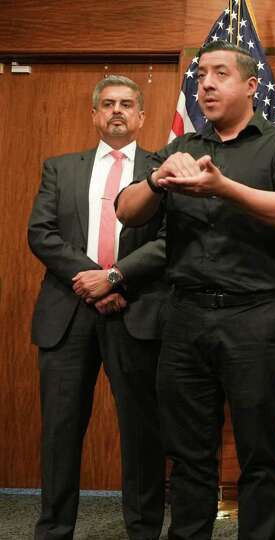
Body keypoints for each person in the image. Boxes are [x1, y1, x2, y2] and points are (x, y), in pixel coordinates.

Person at [115, 41, 275, 540]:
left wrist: (224, 188)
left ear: (251, 86)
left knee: (257, 452)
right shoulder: (182, 148)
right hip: (184, 318)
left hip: (254, 318)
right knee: (188, 455)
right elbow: (126, 210)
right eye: (201, 74)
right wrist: (157, 179)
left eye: (220, 73)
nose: (205, 83)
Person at [28, 75, 167, 540]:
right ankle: (53, 530)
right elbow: (42, 234)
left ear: (141, 115)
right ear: (94, 114)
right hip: (67, 313)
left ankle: (144, 530)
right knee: (60, 432)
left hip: (136, 310)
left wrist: (114, 277)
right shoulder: (60, 168)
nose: (117, 111)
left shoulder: (160, 169)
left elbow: (172, 241)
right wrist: (92, 280)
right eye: (107, 104)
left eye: (127, 104)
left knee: (142, 431)